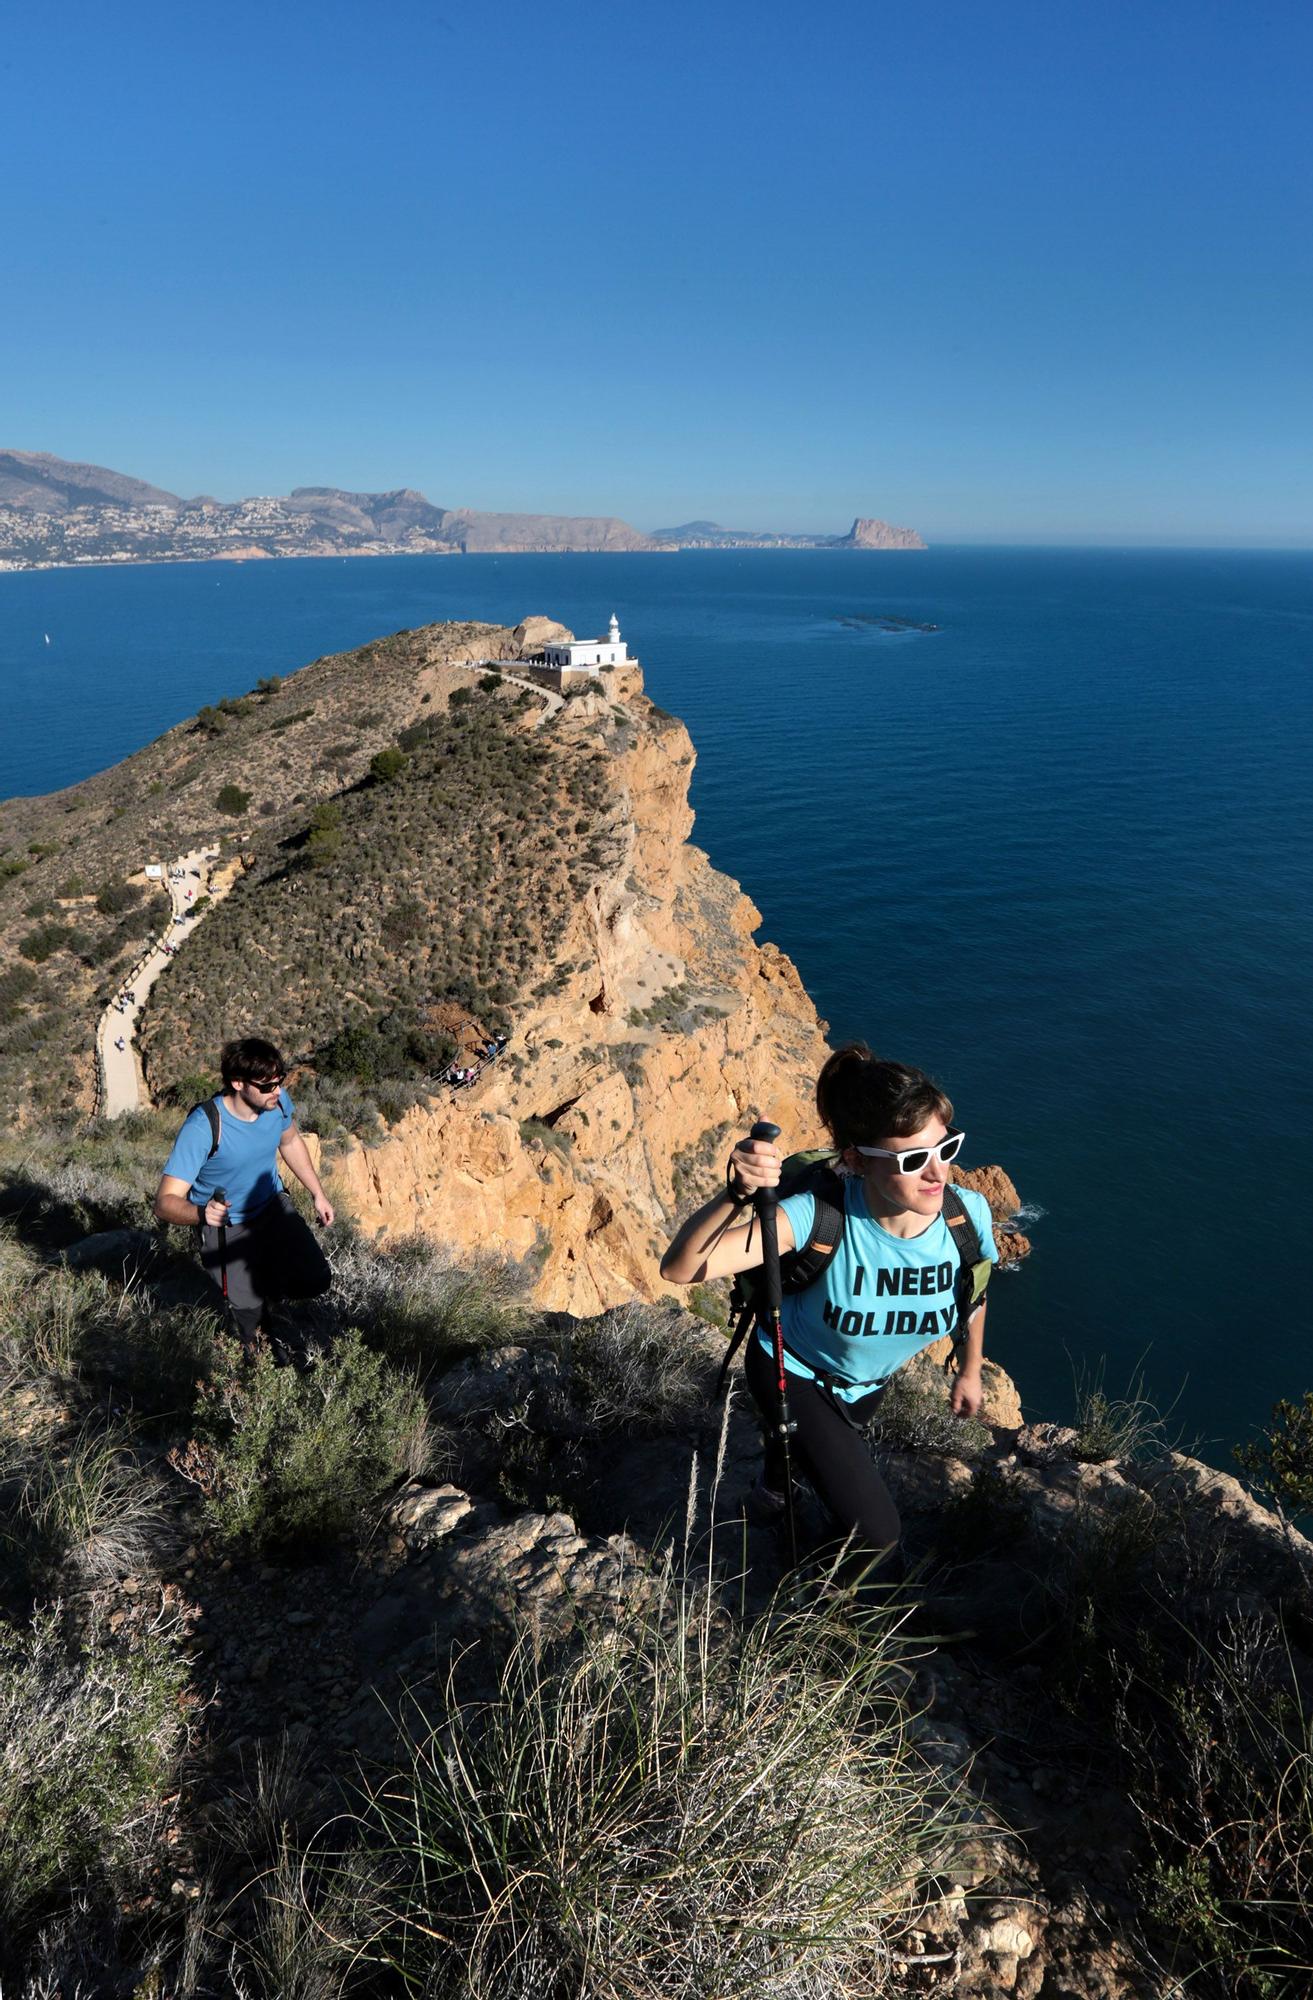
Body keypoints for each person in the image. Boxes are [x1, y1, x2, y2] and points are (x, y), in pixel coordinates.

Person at [660, 1044, 998, 1568]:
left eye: (946, 1148)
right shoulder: (815, 1217)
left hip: (868, 1385)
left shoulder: (967, 1217)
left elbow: (972, 1293)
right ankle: (823, 1625)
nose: (937, 1173)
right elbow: (681, 1268)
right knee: (879, 1532)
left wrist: (970, 1370)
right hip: (792, 1371)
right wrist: (738, 1192)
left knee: (796, 1452)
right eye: (911, 1160)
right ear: (857, 1160)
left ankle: (773, 1491)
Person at [153, 1036, 334, 1356]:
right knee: (251, 1328)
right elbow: (164, 1202)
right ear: (237, 1083)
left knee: (316, 1279)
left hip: (272, 1206)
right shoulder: (204, 1125)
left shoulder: (277, 1102)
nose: (276, 1091)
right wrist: (200, 1215)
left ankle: (268, 1294)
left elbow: (290, 1142)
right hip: (226, 1225)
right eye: (266, 1086)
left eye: (280, 1081)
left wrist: (317, 1193)